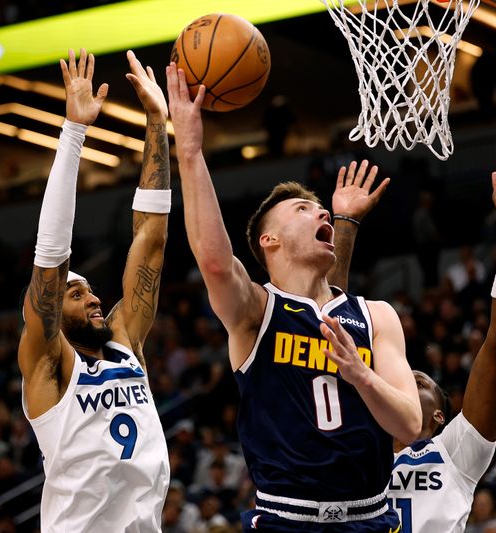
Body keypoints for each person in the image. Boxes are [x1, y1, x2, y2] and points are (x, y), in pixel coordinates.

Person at [166, 65, 421, 532]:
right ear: (270, 242)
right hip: (288, 520)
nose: (320, 210)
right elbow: (216, 262)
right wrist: (190, 149)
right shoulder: (256, 312)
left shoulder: (376, 315)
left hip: (371, 519)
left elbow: (408, 425)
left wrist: (361, 374)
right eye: (302, 209)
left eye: (319, 207)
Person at [330, 143, 496, 532]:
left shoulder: (457, 452)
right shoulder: (359, 443)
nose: (410, 375)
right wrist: (344, 222)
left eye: (422, 380)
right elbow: (328, 325)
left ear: (438, 416)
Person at [18, 49, 171, 531]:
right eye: (76, 293)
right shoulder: (51, 366)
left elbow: (150, 239)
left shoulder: (127, 346)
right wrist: (74, 132)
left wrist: (156, 123)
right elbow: (50, 261)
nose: (95, 297)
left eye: (90, 291)